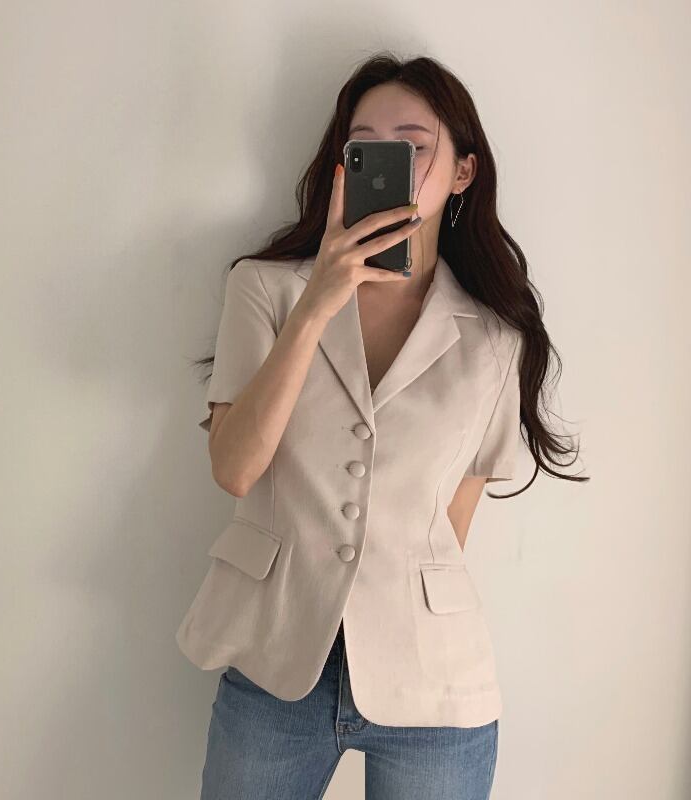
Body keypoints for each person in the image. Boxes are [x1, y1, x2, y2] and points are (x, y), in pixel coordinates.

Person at [178, 52, 587, 800]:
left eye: (413, 146)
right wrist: (319, 301)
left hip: (433, 681)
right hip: (276, 661)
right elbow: (234, 469)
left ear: (462, 172)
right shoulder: (265, 290)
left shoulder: (497, 339)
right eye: (364, 146)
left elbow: (451, 525)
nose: (389, 162)